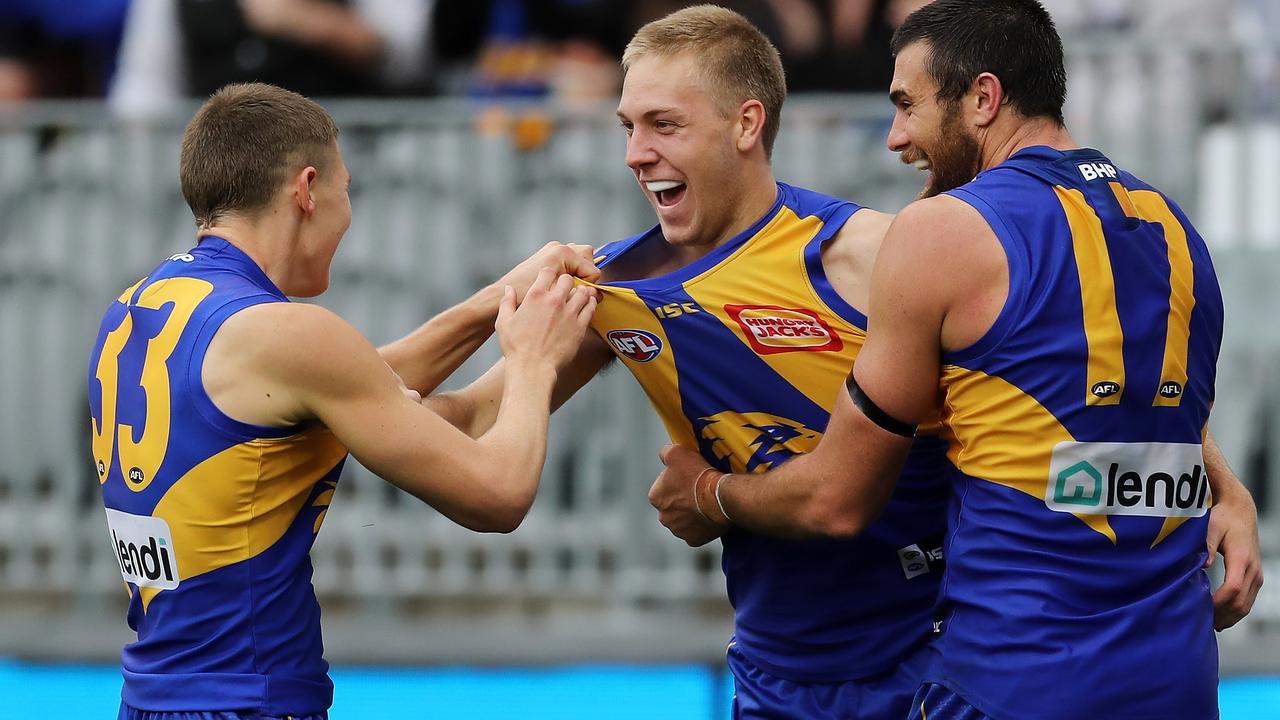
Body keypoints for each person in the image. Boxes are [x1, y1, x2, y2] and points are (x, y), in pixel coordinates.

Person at [649, 1, 1264, 719]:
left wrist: (708, 495)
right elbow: (1130, 419)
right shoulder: (1172, 226)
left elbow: (836, 500)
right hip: (1178, 680)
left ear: (982, 98)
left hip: (1011, 684)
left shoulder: (943, 233)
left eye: (907, 105)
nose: (895, 138)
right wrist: (1230, 489)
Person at [429, 7, 952, 718]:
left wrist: (706, 494)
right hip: (776, 674)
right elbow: (456, 423)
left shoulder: (875, 254)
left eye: (663, 125)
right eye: (627, 126)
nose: (634, 154)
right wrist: (337, 389)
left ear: (746, 125)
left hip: (935, 661)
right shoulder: (610, 290)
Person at [88, 82, 598, 719]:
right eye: (346, 188)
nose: (347, 213)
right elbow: (498, 493)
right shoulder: (288, 335)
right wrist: (533, 358)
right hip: (251, 699)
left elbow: (362, 387)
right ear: (306, 190)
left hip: (151, 695)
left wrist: (509, 303)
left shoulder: (139, 307)